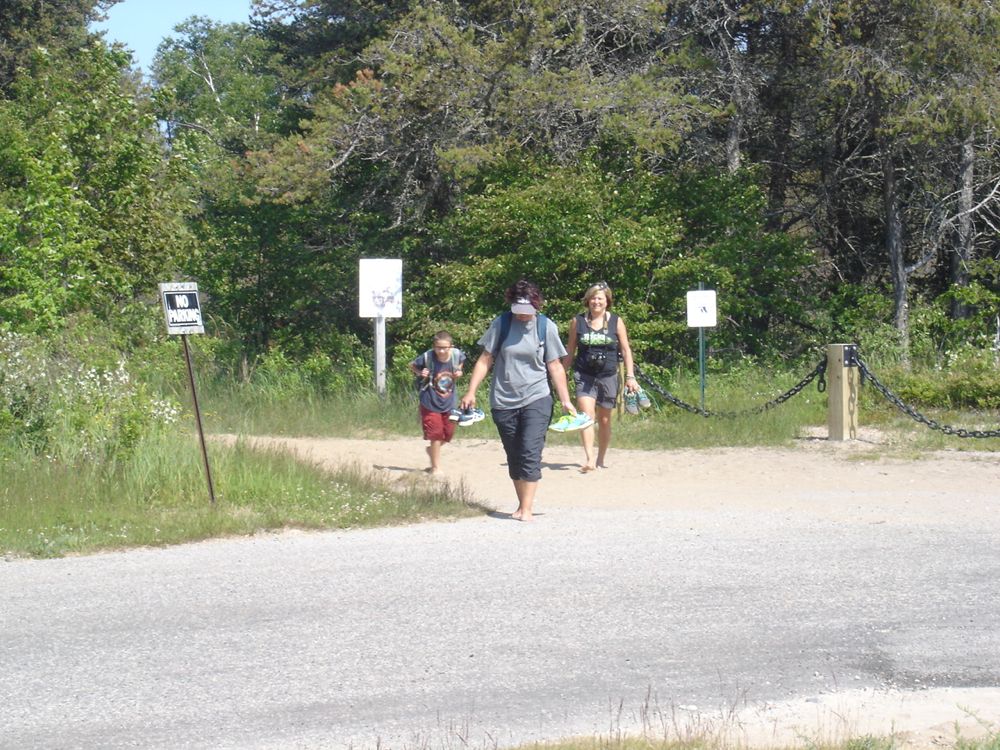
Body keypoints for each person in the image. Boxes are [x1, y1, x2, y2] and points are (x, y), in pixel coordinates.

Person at [460, 279, 577, 521]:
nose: (523, 317)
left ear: (537, 307)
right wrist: (471, 392)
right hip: (503, 398)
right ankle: (521, 503)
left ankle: (527, 508)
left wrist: (566, 400)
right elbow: (485, 359)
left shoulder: (546, 327)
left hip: (537, 396)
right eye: (518, 312)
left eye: (527, 312)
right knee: (513, 453)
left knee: (529, 450)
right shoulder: (501, 323)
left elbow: (555, 366)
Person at [563, 281, 639, 472]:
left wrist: (630, 376)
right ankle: (589, 459)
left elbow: (626, 350)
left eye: (600, 298)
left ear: (607, 301)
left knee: (604, 419)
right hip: (584, 374)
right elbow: (570, 350)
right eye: (593, 298)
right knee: (586, 416)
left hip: (608, 375)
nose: (596, 302)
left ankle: (601, 457)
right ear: (587, 301)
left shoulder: (616, 321)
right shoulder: (577, 321)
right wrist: (561, 374)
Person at [410, 330, 466, 475]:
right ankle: (435, 467)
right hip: (430, 401)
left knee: (448, 434)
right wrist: (419, 373)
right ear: (434, 346)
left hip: (449, 401)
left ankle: (432, 450)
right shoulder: (428, 356)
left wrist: (459, 371)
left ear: (450, 346)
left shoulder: (456, 355)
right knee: (435, 434)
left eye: (444, 348)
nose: (441, 351)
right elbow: (413, 365)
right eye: (438, 347)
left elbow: (461, 363)